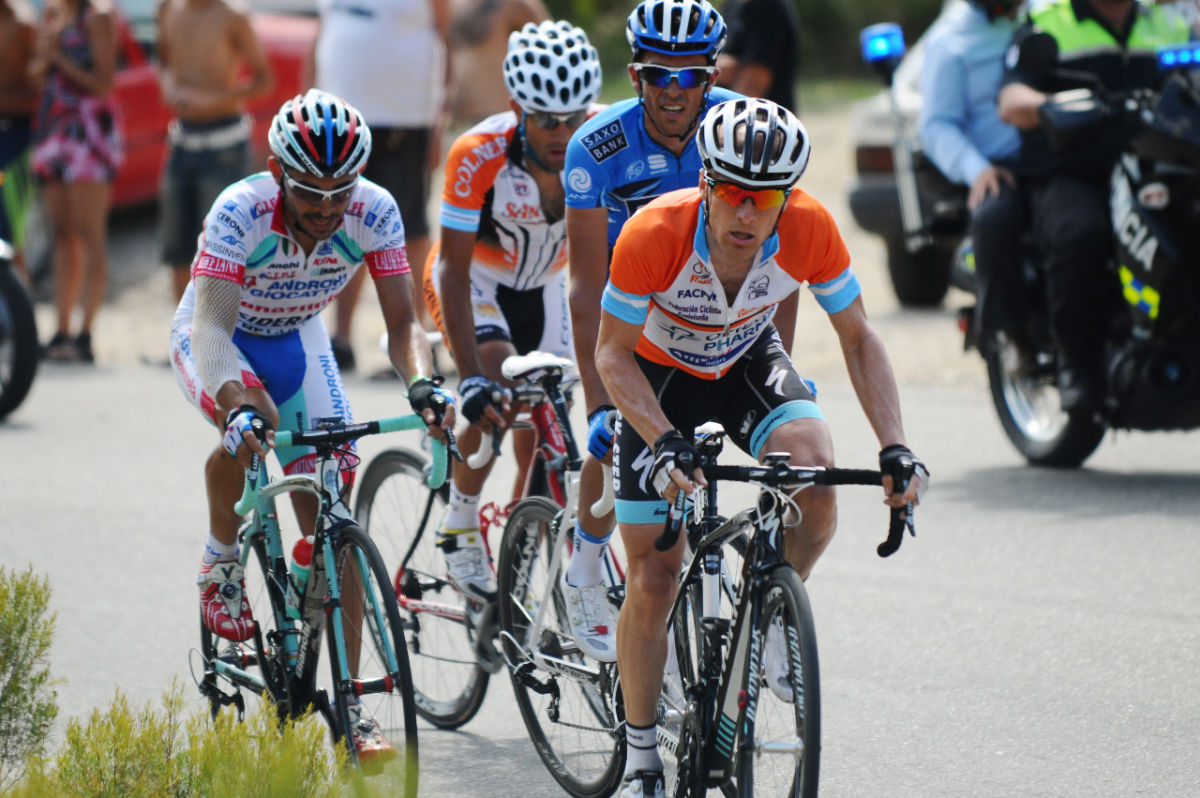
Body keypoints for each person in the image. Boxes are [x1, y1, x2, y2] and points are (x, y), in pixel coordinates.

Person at [594, 98, 928, 798]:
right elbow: (612, 356)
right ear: (706, 184)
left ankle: (772, 607)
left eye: (766, 197)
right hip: (659, 379)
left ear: (788, 198)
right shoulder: (654, 232)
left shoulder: (809, 227)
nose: (747, 212)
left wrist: (895, 444)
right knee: (653, 579)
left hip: (745, 361)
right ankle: (642, 753)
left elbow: (859, 337)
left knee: (816, 481)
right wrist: (662, 440)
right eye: (733, 193)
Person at [169, 89, 454, 760]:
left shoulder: (375, 210)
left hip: (298, 336)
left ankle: (351, 707)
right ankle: (220, 558)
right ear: (277, 172)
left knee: (334, 515)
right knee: (254, 425)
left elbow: (403, 325)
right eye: (309, 193)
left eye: (339, 193)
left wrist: (423, 385)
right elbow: (212, 331)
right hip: (221, 337)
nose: (327, 209)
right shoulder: (239, 211)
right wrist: (235, 405)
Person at [422, 20, 616, 659]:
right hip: (472, 283)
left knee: (548, 439)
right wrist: (470, 375)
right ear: (516, 108)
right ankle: (459, 521)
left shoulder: (604, 140)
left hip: (545, 289)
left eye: (574, 118)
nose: (563, 133)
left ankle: (515, 572)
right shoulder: (477, 153)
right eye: (546, 121)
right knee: (502, 393)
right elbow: (451, 270)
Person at [563, 0, 738, 674]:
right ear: (635, 75)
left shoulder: (737, 128)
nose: (673, 90)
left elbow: (776, 259)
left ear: (710, 78)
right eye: (657, 74)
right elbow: (586, 288)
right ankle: (584, 566)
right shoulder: (597, 146)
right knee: (616, 438)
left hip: (699, 306)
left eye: (689, 76)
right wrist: (597, 403)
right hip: (625, 307)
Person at [997, 0, 1189, 413]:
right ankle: (1077, 366)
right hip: (1073, 171)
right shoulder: (1047, 22)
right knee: (1081, 234)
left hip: (1158, 166)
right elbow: (1011, 99)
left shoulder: (1167, 20)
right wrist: (1052, 106)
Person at [311, 0, 450, 370]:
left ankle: (417, 338)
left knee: (410, 230)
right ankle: (340, 338)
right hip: (337, 124)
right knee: (340, 224)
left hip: (404, 122)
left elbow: (447, 38)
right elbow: (321, 35)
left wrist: (440, 118)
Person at [918, 0, 1027, 359]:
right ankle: (1008, 335)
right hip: (997, 168)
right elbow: (937, 125)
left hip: (1056, 159)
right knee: (994, 220)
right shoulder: (950, 40)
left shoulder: (1047, 14)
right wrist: (977, 169)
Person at [156, 0, 273, 302]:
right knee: (178, 252)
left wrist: (211, 99)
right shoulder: (169, 8)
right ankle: (184, 330)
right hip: (181, 141)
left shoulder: (233, 15)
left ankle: (220, 330)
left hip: (225, 146)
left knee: (222, 254)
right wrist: (169, 86)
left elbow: (264, 80)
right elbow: (163, 59)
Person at [29, 0, 123, 363]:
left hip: (88, 135)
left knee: (89, 234)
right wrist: (44, 60)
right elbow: (40, 74)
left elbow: (103, 84)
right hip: (54, 132)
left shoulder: (98, 17)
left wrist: (59, 58)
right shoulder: (53, 13)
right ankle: (61, 329)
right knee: (62, 235)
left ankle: (86, 334)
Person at [446, 0, 548, 127]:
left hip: (498, 120)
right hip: (455, 123)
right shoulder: (452, 5)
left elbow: (548, 53)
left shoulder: (517, 4)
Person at [0, 0, 38, 284]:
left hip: (13, 140)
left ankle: (21, 303)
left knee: (10, 237)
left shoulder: (21, 24)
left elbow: (41, 93)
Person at [715, 0, 799, 111]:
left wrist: (706, 68)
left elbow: (755, 78)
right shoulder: (732, 4)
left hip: (760, 117)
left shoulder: (767, 5)